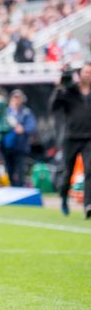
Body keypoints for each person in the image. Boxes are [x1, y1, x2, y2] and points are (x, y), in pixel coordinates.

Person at [50, 62, 91, 219]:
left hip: (89, 138)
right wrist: (59, 88)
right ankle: (64, 199)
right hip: (71, 137)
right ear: (80, 74)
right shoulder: (70, 90)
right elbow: (54, 107)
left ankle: (88, 205)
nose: (89, 75)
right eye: (87, 72)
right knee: (68, 172)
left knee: (90, 170)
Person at [2, 89, 36, 187]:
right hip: (7, 146)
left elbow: (32, 126)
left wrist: (23, 129)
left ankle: (20, 189)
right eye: (15, 97)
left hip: (21, 146)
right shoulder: (5, 112)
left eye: (19, 98)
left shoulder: (26, 112)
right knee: (8, 170)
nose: (16, 100)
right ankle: (11, 188)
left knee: (20, 170)